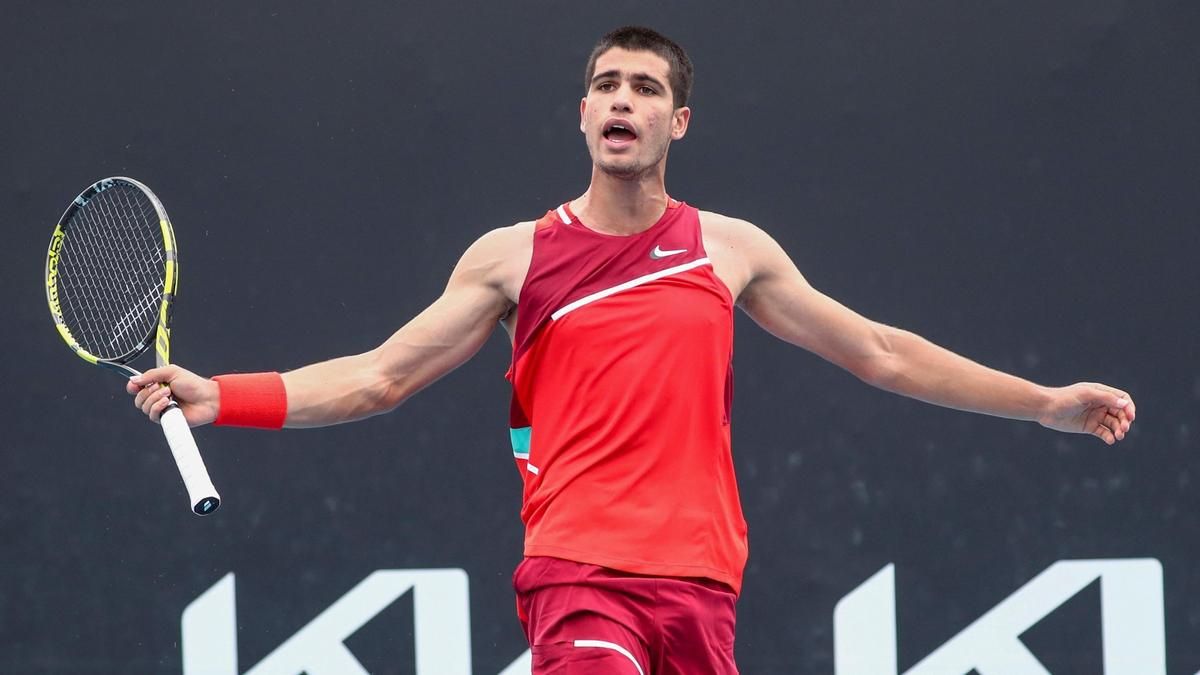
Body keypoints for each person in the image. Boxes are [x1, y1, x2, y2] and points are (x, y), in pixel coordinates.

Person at [127, 25, 1136, 675]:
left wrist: (1043, 402)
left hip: (702, 587)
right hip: (577, 574)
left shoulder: (731, 251)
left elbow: (881, 351)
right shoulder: (512, 258)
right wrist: (224, 394)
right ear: (581, 115)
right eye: (605, 85)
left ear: (676, 120)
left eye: (645, 88)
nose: (622, 100)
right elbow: (379, 376)